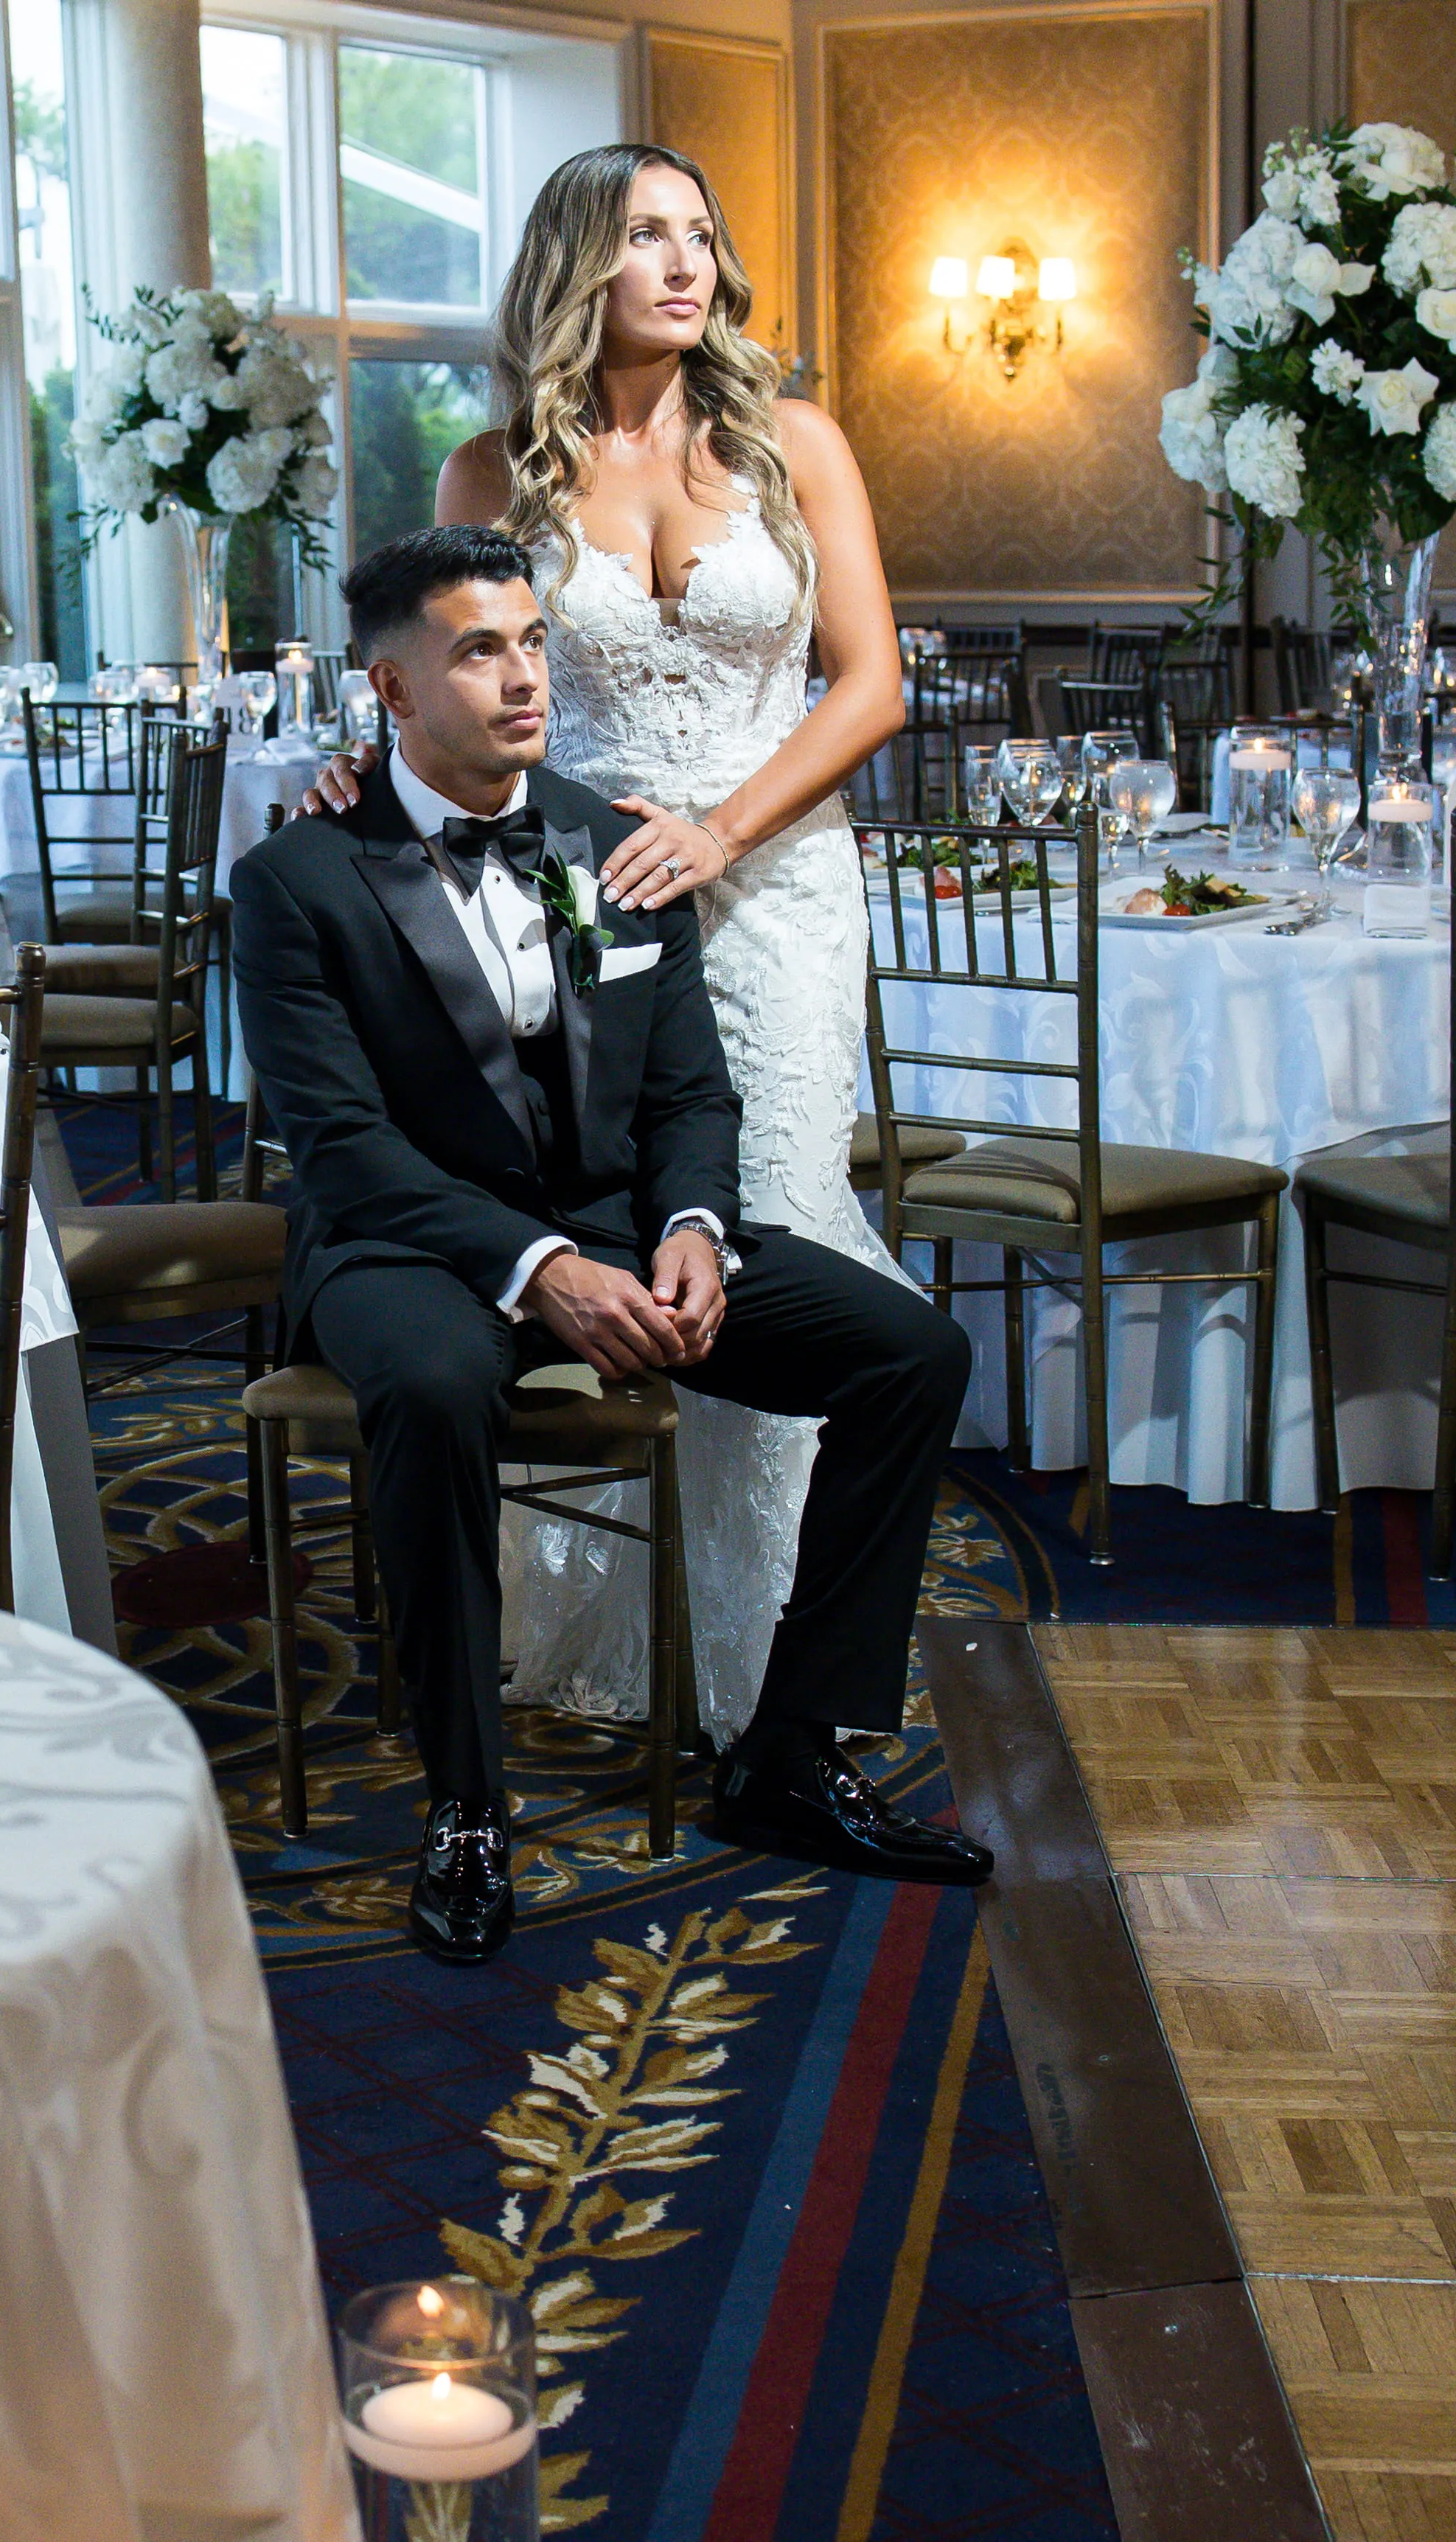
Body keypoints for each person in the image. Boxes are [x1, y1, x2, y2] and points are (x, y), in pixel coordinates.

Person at [234, 526, 984, 1967]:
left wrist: (694, 1225)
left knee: (910, 1348)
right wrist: (540, 1270)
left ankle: (791, 1749)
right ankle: (465, 1801)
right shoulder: (298, 881)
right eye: (480, 649)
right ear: (391, 687)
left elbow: (693, 1090)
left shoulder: (608, 839)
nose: (526, 676)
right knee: (442, 1385)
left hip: (619, 1228)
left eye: (531, 640)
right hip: (405, 1249)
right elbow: (342, 1150)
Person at [302, 140, 918, 1744]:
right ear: (582, 261)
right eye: (647, 235)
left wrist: (722, 829)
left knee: (762, 1226)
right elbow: (448, 673)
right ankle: (619, 1611)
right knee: (607, 1212)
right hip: (576, 899)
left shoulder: (794, 442)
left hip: (777, 892)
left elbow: (871, 684)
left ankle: (764, 1665)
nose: (685, 262)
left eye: (701, 233)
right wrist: (364, 768)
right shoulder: (490, 476)